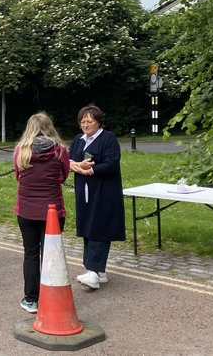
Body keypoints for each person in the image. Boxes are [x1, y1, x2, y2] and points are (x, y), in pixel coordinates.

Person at [13, 112, 70, 313]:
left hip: (26, 210)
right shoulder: (59, 150)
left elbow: (18, 176)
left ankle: (31, 298)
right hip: (52, 211)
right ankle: (51, 297)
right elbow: (64, 175)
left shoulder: (21, 150)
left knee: (30, 254)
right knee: (51, 255)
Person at [69, 105, 125, 289]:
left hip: (104, 192)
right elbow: (69, 161)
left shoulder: (108, 138)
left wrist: (89, 171)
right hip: (84, 192)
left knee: (99, 228)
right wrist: (78, 166)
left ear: (99, 122)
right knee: (87, 228)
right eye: (83, 121)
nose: (86, 125)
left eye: (90, 121)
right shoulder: (78, 140)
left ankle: (93, 272)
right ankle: (98, 272)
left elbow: (111, 163)